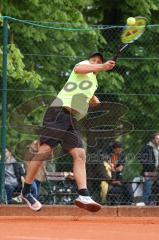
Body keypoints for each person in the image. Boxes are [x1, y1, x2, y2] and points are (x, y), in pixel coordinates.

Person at [21, 52, 115, 211]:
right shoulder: (82, 67)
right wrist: (103, 66)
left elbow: (88, 97)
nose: (96, 62)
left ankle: (83, 195)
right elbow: (79, 68)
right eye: (94, 60)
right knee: (44, 152)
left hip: (72, 119)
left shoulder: (93, 82)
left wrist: (93, 99)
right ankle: (26, 191)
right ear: (89, 61)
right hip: (59, 112)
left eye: (99, 61)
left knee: (80, 154)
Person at [137, 133, 159, 205]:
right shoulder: (147, 147)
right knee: (148, 185)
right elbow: (139, 157)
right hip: (149, 172)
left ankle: (154, 203)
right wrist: (149, 166)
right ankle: (145, 204)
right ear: (153, 139)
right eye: (157, 138)